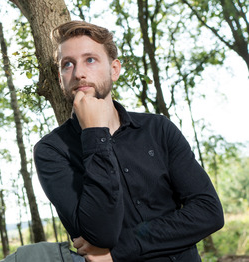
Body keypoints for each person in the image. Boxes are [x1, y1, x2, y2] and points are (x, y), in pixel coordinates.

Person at [33, 20, 224, 262]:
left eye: (90, 60)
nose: (79, 72)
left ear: (114, 70)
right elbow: (100, 234)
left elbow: (209, 213)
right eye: (67, 64)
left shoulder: (158, 129)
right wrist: (95, 133)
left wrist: (119, 251)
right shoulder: (51, 151)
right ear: (61, 79)